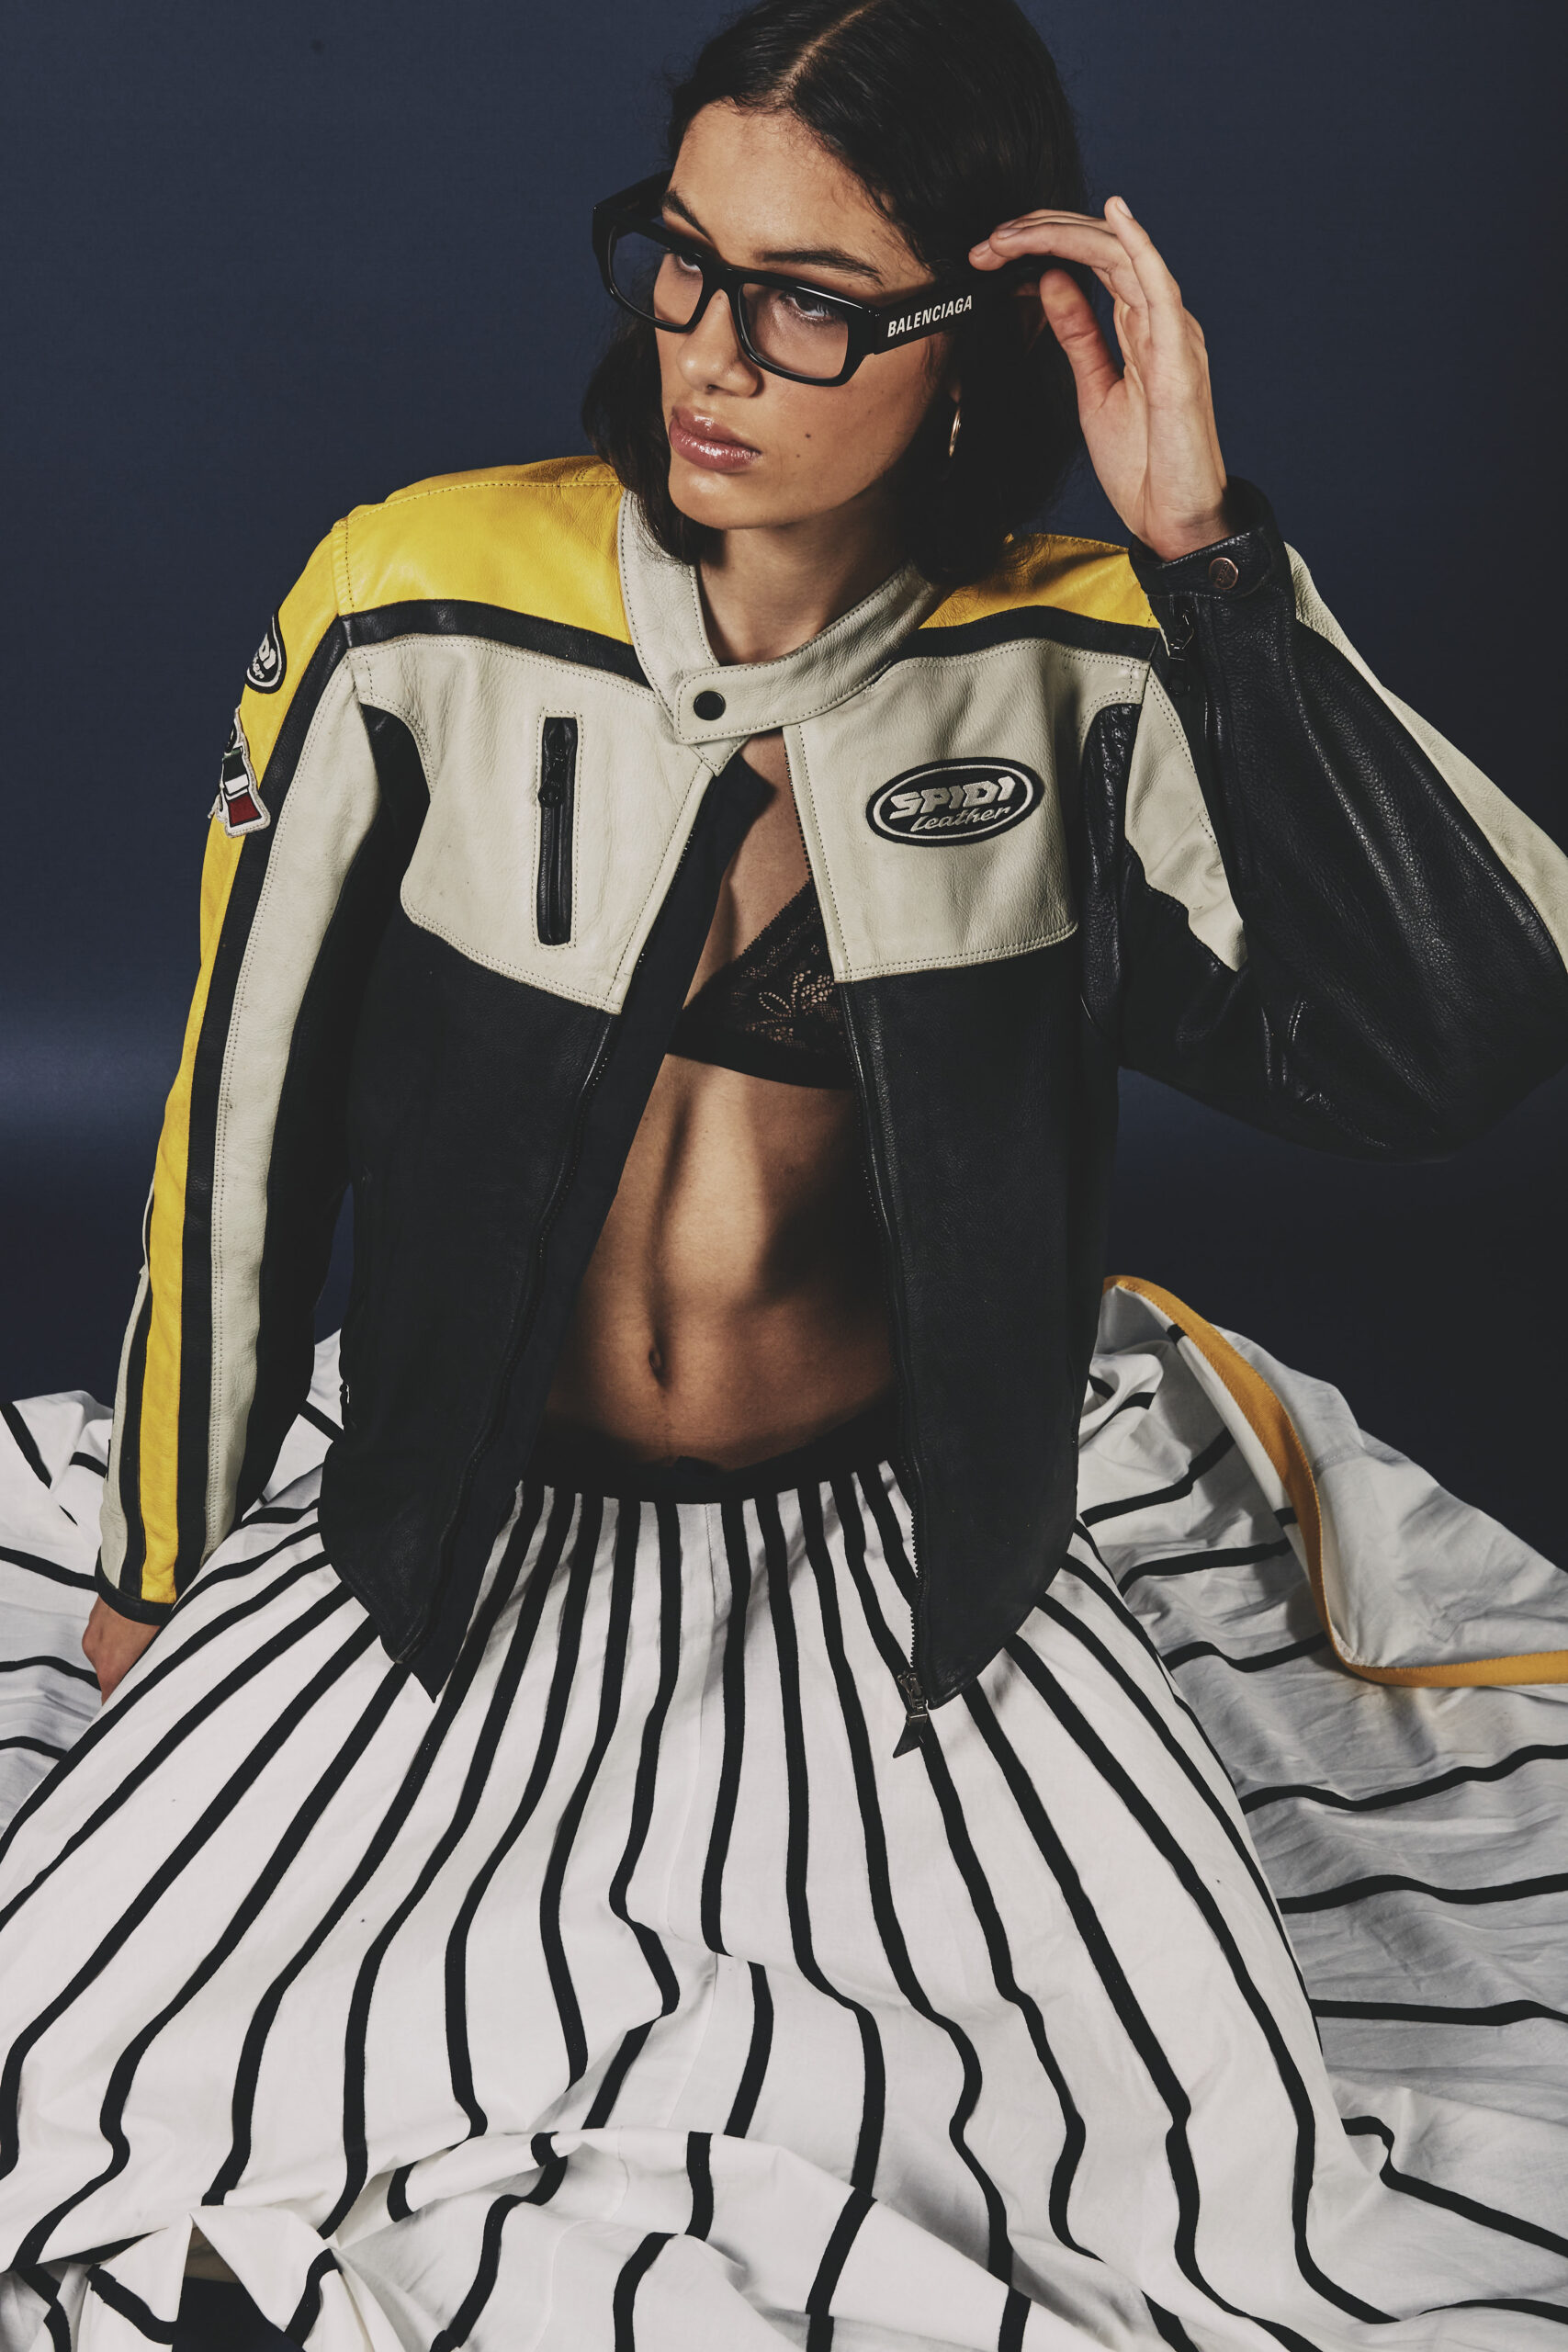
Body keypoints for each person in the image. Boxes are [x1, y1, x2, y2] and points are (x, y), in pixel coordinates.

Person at [2, 1, 1566, 2345]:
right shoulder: (414, 598)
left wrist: (1209, 557)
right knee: (104, 2076)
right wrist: (157, 1552)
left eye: (811, 299)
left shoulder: (1073, 664)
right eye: (683, 259)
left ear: (967, 345)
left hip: (901, 1577)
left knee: (1158, 2178)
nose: (712, 353)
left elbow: (1454, 1040)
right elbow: (240, 1112)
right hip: (450, 1541)